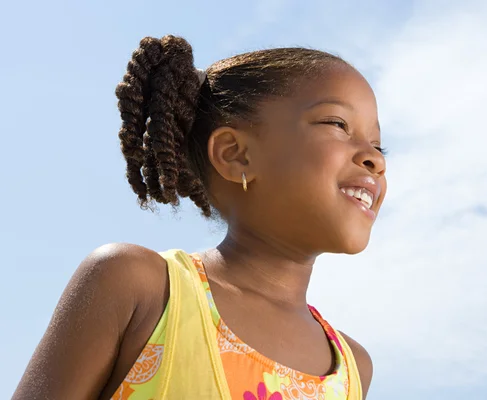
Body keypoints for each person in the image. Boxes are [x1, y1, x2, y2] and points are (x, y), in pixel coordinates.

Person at [13, 35, 386, 400]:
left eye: (378, 144)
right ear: (235, 154)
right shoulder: (144, 289)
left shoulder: (353, 369)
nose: (375, 159)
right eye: (337, 124)